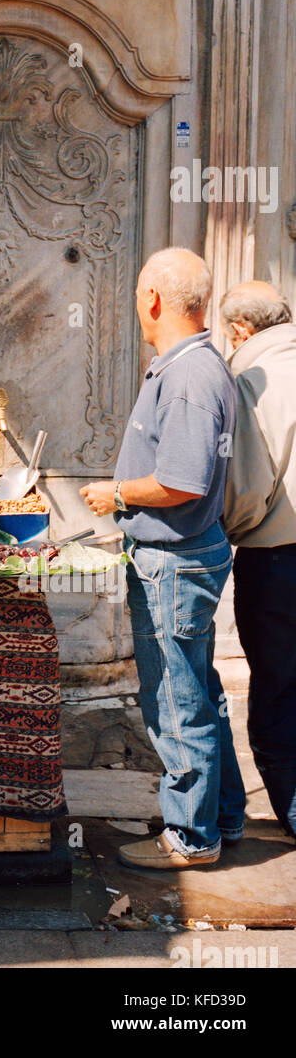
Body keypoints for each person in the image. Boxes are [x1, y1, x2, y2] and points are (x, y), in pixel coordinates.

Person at [80, 247, 245, 868]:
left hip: (175, 562)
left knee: (177, 702)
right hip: (182, 557)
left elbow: (181, 481)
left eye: (137, 297)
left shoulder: (188, 376)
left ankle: (191, 838)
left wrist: (114, 492)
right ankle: (219, 819)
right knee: (199, 694)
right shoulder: (190, 367)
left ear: (153, 300)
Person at [221, 281, 296, 845]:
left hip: (277, 559)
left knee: (277, 685)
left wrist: (226, 532)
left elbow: (247, 486)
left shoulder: (252, 379)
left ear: (241, 330)